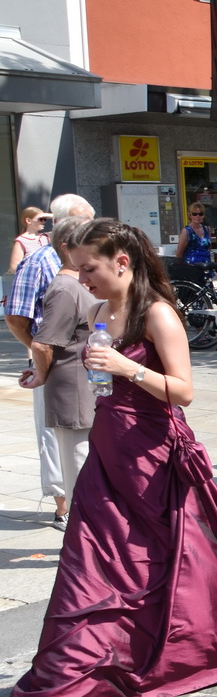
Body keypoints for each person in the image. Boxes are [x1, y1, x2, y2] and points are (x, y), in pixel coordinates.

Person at [3, 219, 217, 697]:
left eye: (90, 268)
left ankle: (200, 642)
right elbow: (94, 369)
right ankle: (74, 671)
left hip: (155, 455)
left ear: (121, 263)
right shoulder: (100, 309)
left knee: (175, 558)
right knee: (91, 561)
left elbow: (183, 392)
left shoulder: (158, 314)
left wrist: (128, 371)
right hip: (111, 448)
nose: (81, 278)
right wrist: (46, 373)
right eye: (78, 268)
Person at [6, 193, 95, 529]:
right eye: (82, 221)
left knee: (79, 448)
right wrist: (41, 355)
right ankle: (65, 509)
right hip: (58, 368)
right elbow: (16, 316)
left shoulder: (84, 268)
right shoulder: (41, 263)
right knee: (62, 444)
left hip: (84, 373)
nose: (90, 228)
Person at [9, 207, 51, 274]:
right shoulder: (21, 240)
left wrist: (50, 215)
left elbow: (70, 220)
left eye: (45, 219)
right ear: (28, 220)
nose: (43, 222)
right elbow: (14, 268)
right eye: (40, 219)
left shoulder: (46, 236)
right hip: (34, 279)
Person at [175, 203, 213, 267]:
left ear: (203, 216)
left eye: (200, 214)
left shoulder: (207, 229)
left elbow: (209, 249)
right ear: (190, 215)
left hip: (206, 265)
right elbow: (179, 254)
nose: (198, 216)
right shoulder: (186, 231)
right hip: (191, 267)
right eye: (195, 214)